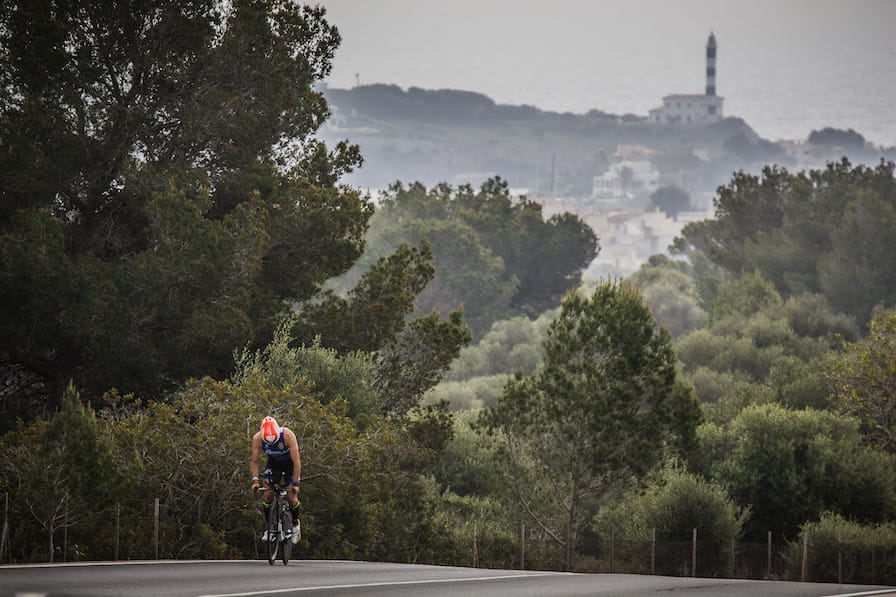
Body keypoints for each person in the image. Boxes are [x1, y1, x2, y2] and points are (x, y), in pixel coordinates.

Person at [250, 415, 302, 543]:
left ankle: (295, 525)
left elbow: (297, 462)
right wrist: (255, 481)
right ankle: (270, 527)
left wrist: (295, 483)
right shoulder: (257, 438)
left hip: (289, 464)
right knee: (267, 494)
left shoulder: (288, 435)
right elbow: (254, 461)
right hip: (273, 465)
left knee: (291, 497)